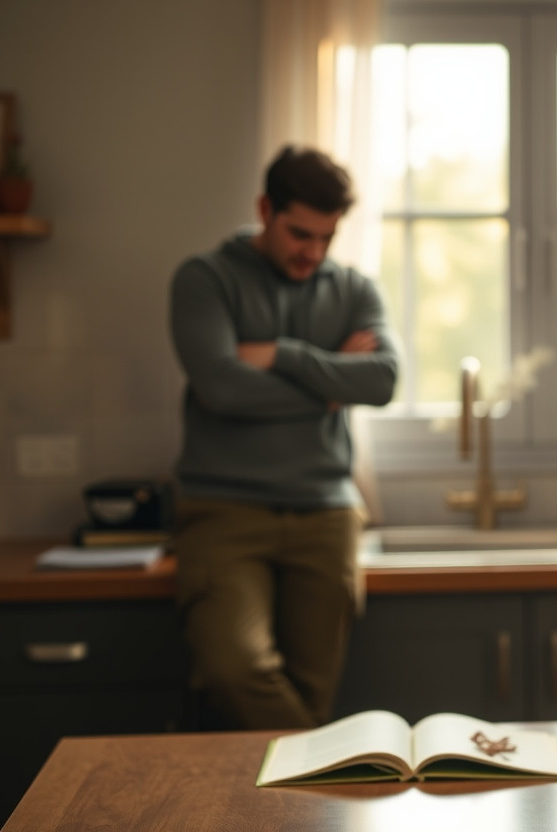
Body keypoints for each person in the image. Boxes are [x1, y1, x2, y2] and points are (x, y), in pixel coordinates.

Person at [168, 146, 399, 730]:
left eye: (326, 237)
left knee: (313, 693)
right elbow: (221, 387)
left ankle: (289, 817)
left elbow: (383, 379)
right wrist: (328, 383)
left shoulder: (353, 289)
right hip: (223, 514)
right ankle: (320, 782)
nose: (313, 253)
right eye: (300, 234)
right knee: (233, 670)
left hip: (326, 512)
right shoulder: (205, 280)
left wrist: (280, 355)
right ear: (265, 209)